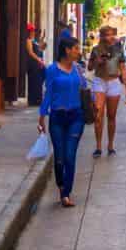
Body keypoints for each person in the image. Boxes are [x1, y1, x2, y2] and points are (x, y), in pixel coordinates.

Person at [39, 35, 87, 208]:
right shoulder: (52, 70)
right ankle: (61, 185)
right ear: (67, 50)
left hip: (76, 116)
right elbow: (48, 93)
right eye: (75, 48)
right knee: (59, 158)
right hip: (57, 118)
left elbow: (84, 89)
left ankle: (66, 193)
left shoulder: (78, 69)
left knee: (69, 156)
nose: (78, 51)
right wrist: (42, 116)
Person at [86, 25, 126, 157]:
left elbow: (123, 67)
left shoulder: (118, 49)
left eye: (112, 34)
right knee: (98, 115)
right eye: (107, 34)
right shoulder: (96, 49)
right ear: (102, 36)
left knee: (111, 116)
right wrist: (97, 61)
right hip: (99, 82)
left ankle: (110, 145)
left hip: (114, 82)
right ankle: (98, 147)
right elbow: (90, 67)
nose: (110, 37)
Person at [25, 24, 47, 108]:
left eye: (33, 31)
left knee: (38, 81)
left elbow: (39, 46)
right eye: (32, 31)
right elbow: (31, 52)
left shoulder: (34, 40)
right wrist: (38, 59)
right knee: (34, 82)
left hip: (38, 64)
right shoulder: (28, 41)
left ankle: (38, 99)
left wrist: (42, 38)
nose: (33, 32)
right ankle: (33, 100)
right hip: (33, 64)